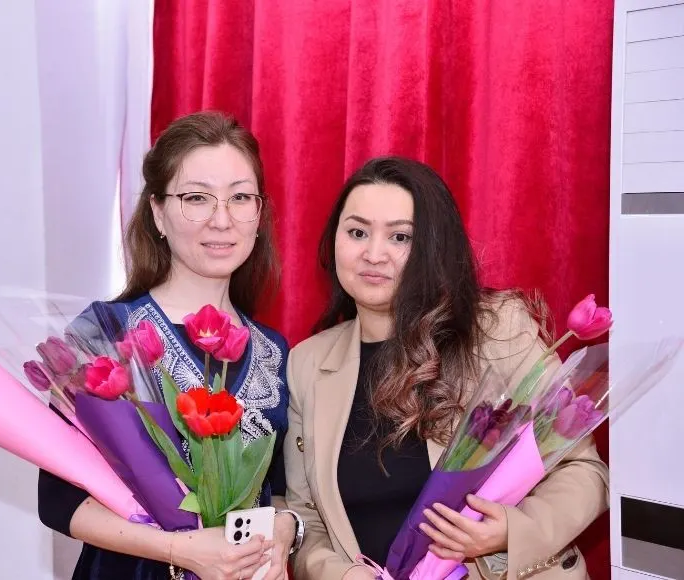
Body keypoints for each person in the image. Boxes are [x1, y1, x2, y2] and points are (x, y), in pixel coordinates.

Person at [283, 157, 609, 580]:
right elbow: (304, 517)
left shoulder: (498, 331)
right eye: (357, 232)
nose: (373, 254)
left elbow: (584, 471)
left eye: (400, 237)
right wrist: (342, 575)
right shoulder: (308, 362)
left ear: (433, 248)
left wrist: (509, 531)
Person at [38, 111, 300, 580]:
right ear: (158, 212)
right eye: (197, 198)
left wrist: (283, 530)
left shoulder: (274, 351)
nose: (222, 220)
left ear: (259, 215)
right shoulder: (105, 332)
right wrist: (181, 550)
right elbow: (58, 501)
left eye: (240, 197)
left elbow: (276, 490)